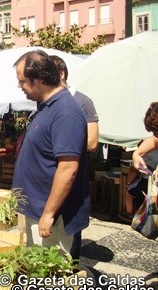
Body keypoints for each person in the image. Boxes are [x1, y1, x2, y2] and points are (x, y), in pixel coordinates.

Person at [12, 50, 90, 256]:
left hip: (51, 217)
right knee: (36, 272)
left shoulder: (66, 112)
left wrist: (48, 213)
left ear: (39, 79)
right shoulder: (47, 106)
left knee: (50, 277)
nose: (19, 86)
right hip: (37, 210)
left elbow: (68, 168)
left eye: (22, 81)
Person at [51, 55, 100, 261]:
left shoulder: (83, 101)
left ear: (61, 74)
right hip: (51, 179)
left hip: (74, 178)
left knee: (72, 231)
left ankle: (71, 280)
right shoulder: (45, 103)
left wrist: (63, 145)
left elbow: (92, 142)